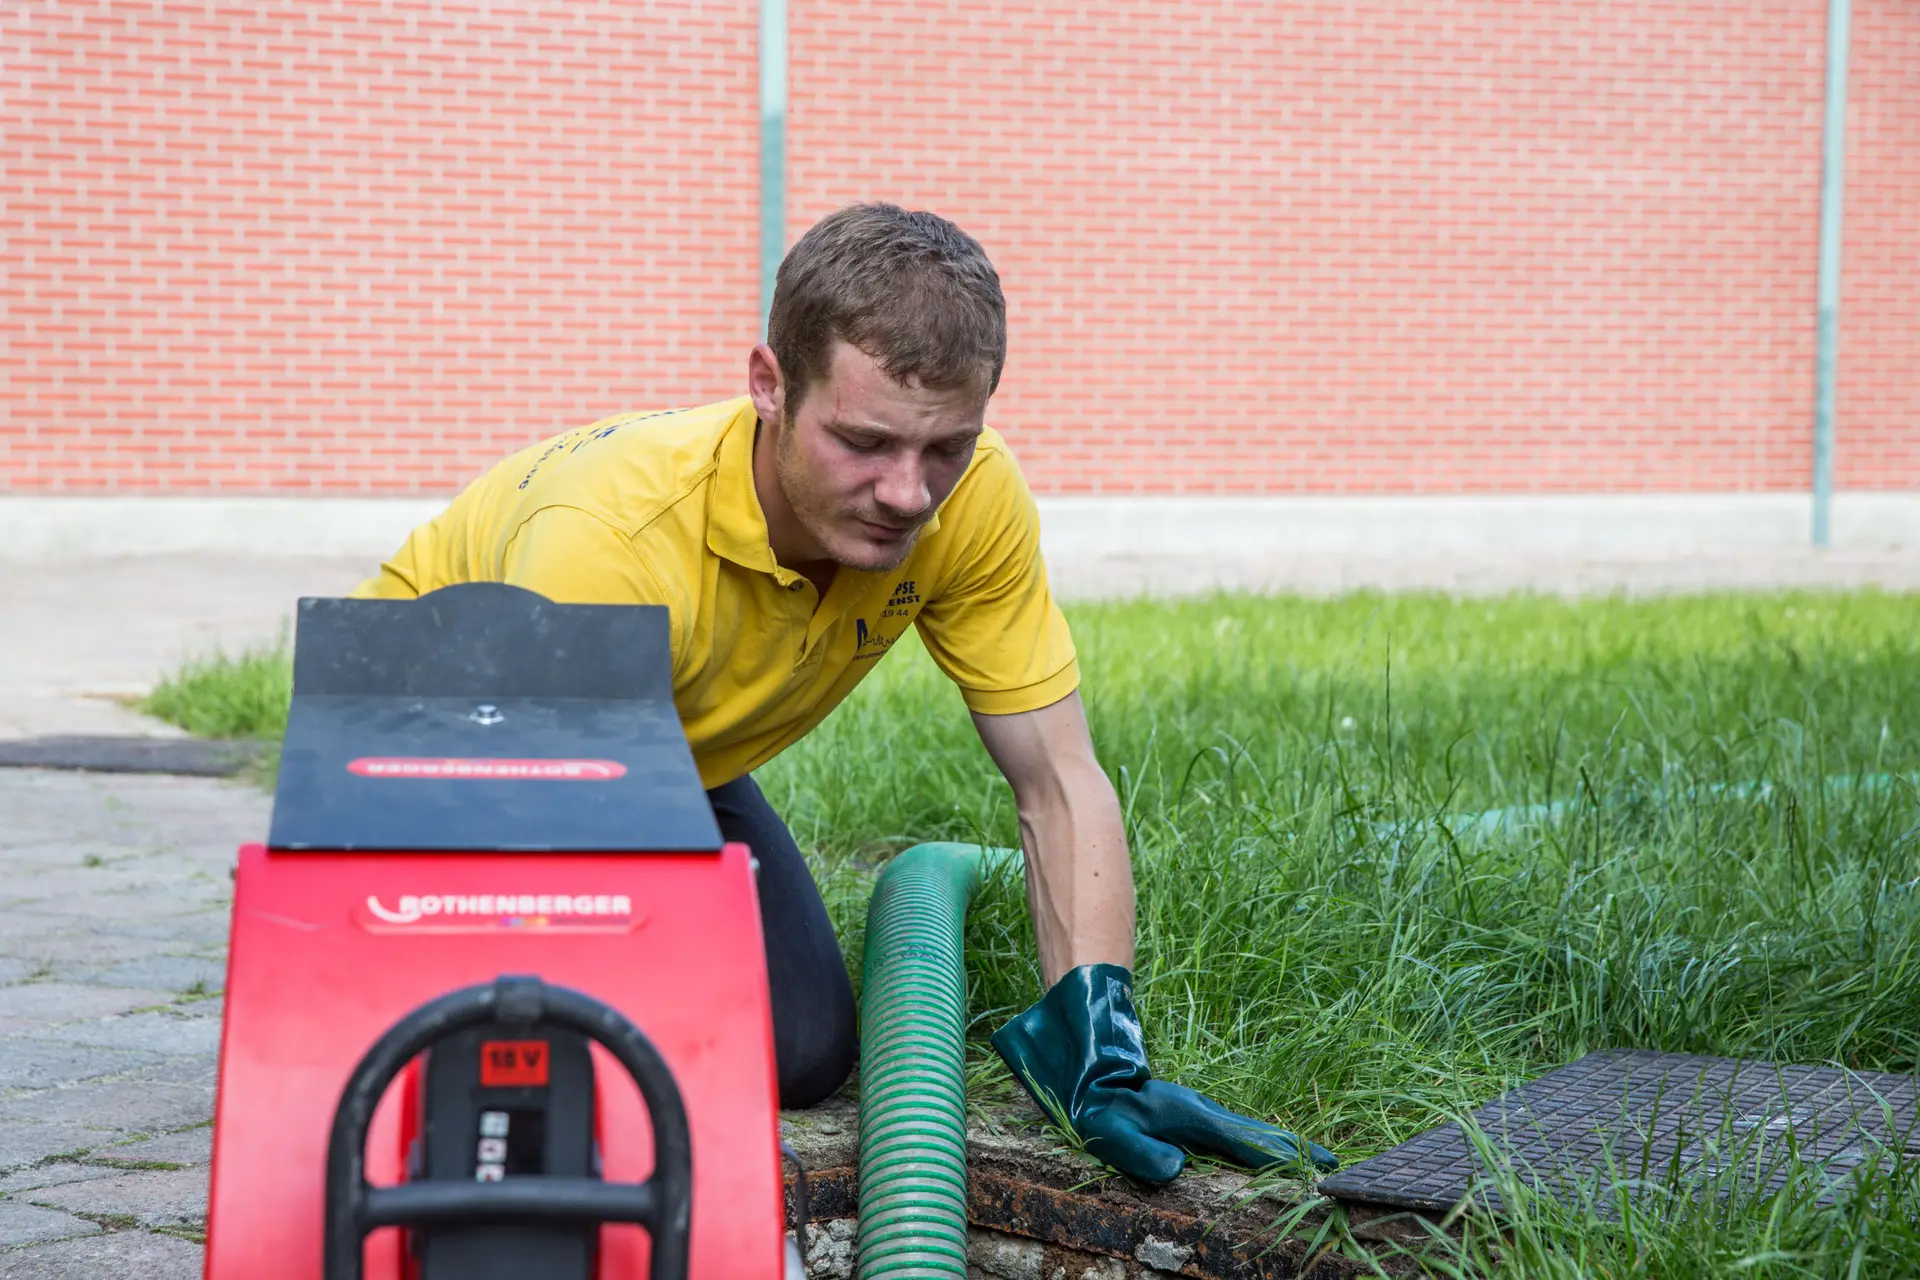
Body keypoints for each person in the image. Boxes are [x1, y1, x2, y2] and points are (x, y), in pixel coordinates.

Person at [353, 202, 1335, 1183]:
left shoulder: (974, 500)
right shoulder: (610, 542)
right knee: (550, 1054)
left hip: (654, 754)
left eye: (943, 446)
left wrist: (1101, 1035)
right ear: (769, 385)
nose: (908, 492)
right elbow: (539, 835)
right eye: (863, 442)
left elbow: (1058, 777)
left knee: (803, 1045)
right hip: (437, 751)